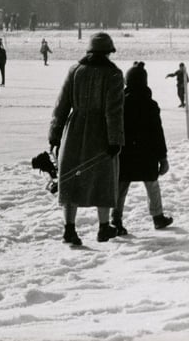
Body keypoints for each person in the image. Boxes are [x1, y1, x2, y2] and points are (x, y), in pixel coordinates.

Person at [49, 32, 124, 245]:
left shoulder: (75, 71)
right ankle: (103, 228)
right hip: (101, 134)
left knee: (70, 180)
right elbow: (114, 111)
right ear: (109, 52)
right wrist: (115, 140)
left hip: (73, 131)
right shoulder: (114, 75)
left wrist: (54, 135)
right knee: (104, 179)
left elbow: (61, 106)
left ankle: (69, 230)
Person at [111, 62, 173, 235]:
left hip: (125, 154)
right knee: (152, 186)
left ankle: (115, 219)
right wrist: (163, 157)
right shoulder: (151, 105)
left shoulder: (120, 104)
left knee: (121, 188)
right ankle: (158, 217)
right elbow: (158, 134)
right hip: (148, 155)